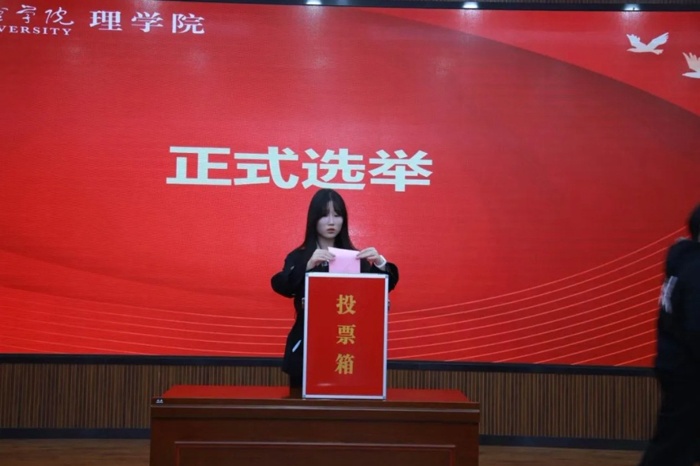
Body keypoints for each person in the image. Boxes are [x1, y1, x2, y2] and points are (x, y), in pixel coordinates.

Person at [271, 188, 399, 390]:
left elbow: (381, 289)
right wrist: (307, 266)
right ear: (313, 219)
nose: (331, 222)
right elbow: (282, 285)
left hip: (347, 346)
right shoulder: (299, 256)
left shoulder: (356, 258)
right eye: (324, 215)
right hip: (308, 348)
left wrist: (380, 263)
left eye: (337, 215)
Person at [639, 204, 700, 466]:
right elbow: (696, 328)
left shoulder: (683, 258)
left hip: (675, 364)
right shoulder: (695, 269)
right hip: (690, 372)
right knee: (672, 449)